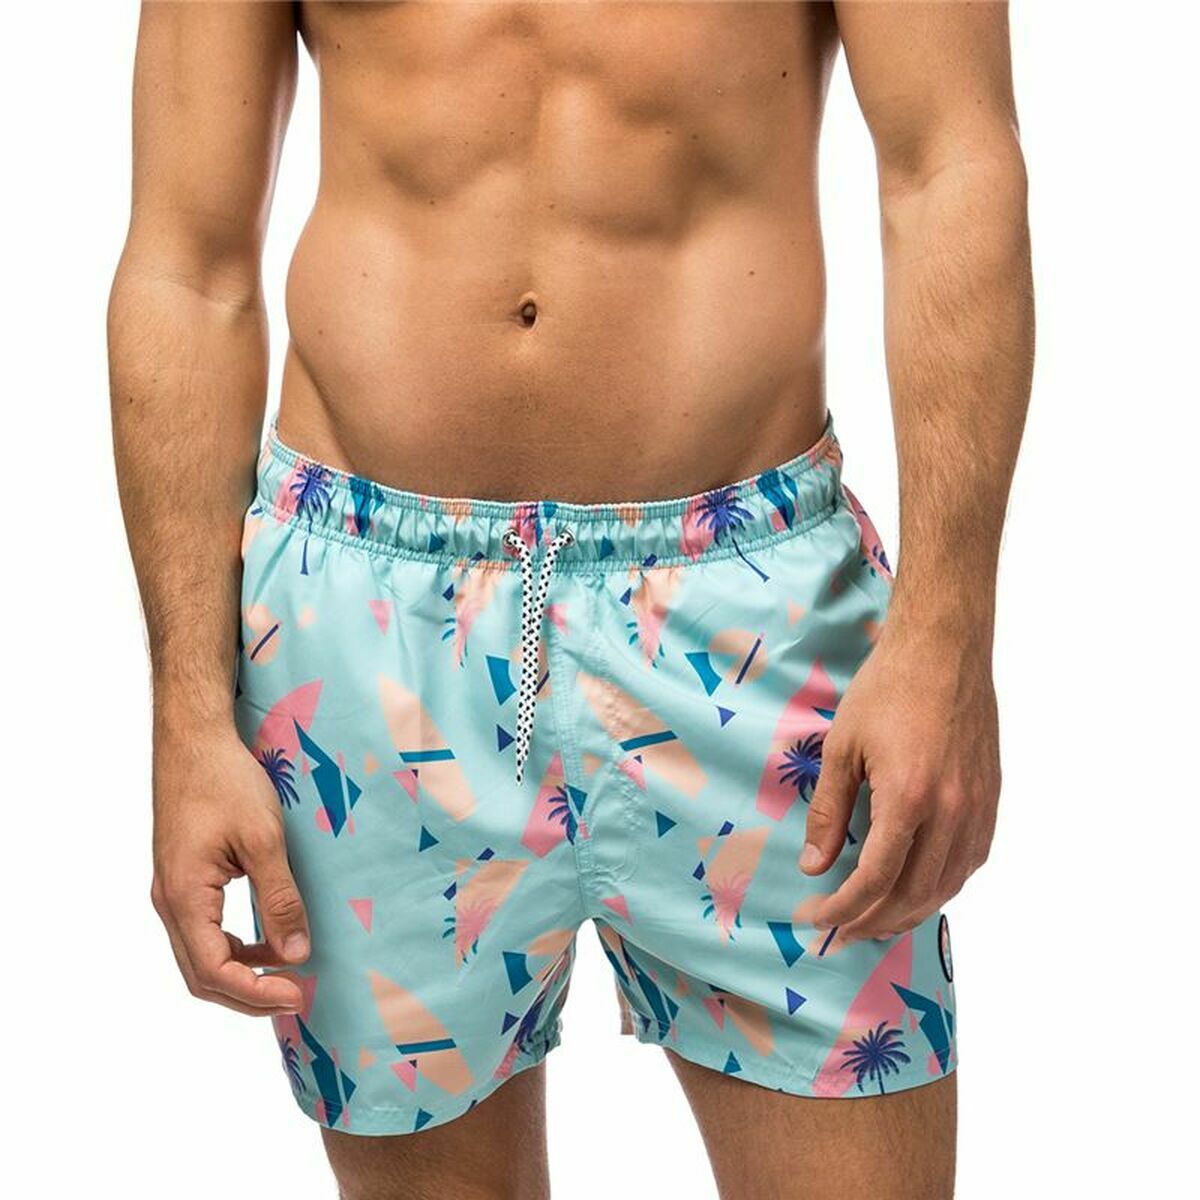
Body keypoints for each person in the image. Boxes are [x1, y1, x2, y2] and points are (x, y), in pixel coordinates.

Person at [109, 3, 1032, 1197]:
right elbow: (187, 269)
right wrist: (187, 713)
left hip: (750, 615)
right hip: (367, 631)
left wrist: (948, 639)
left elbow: (950, 168)